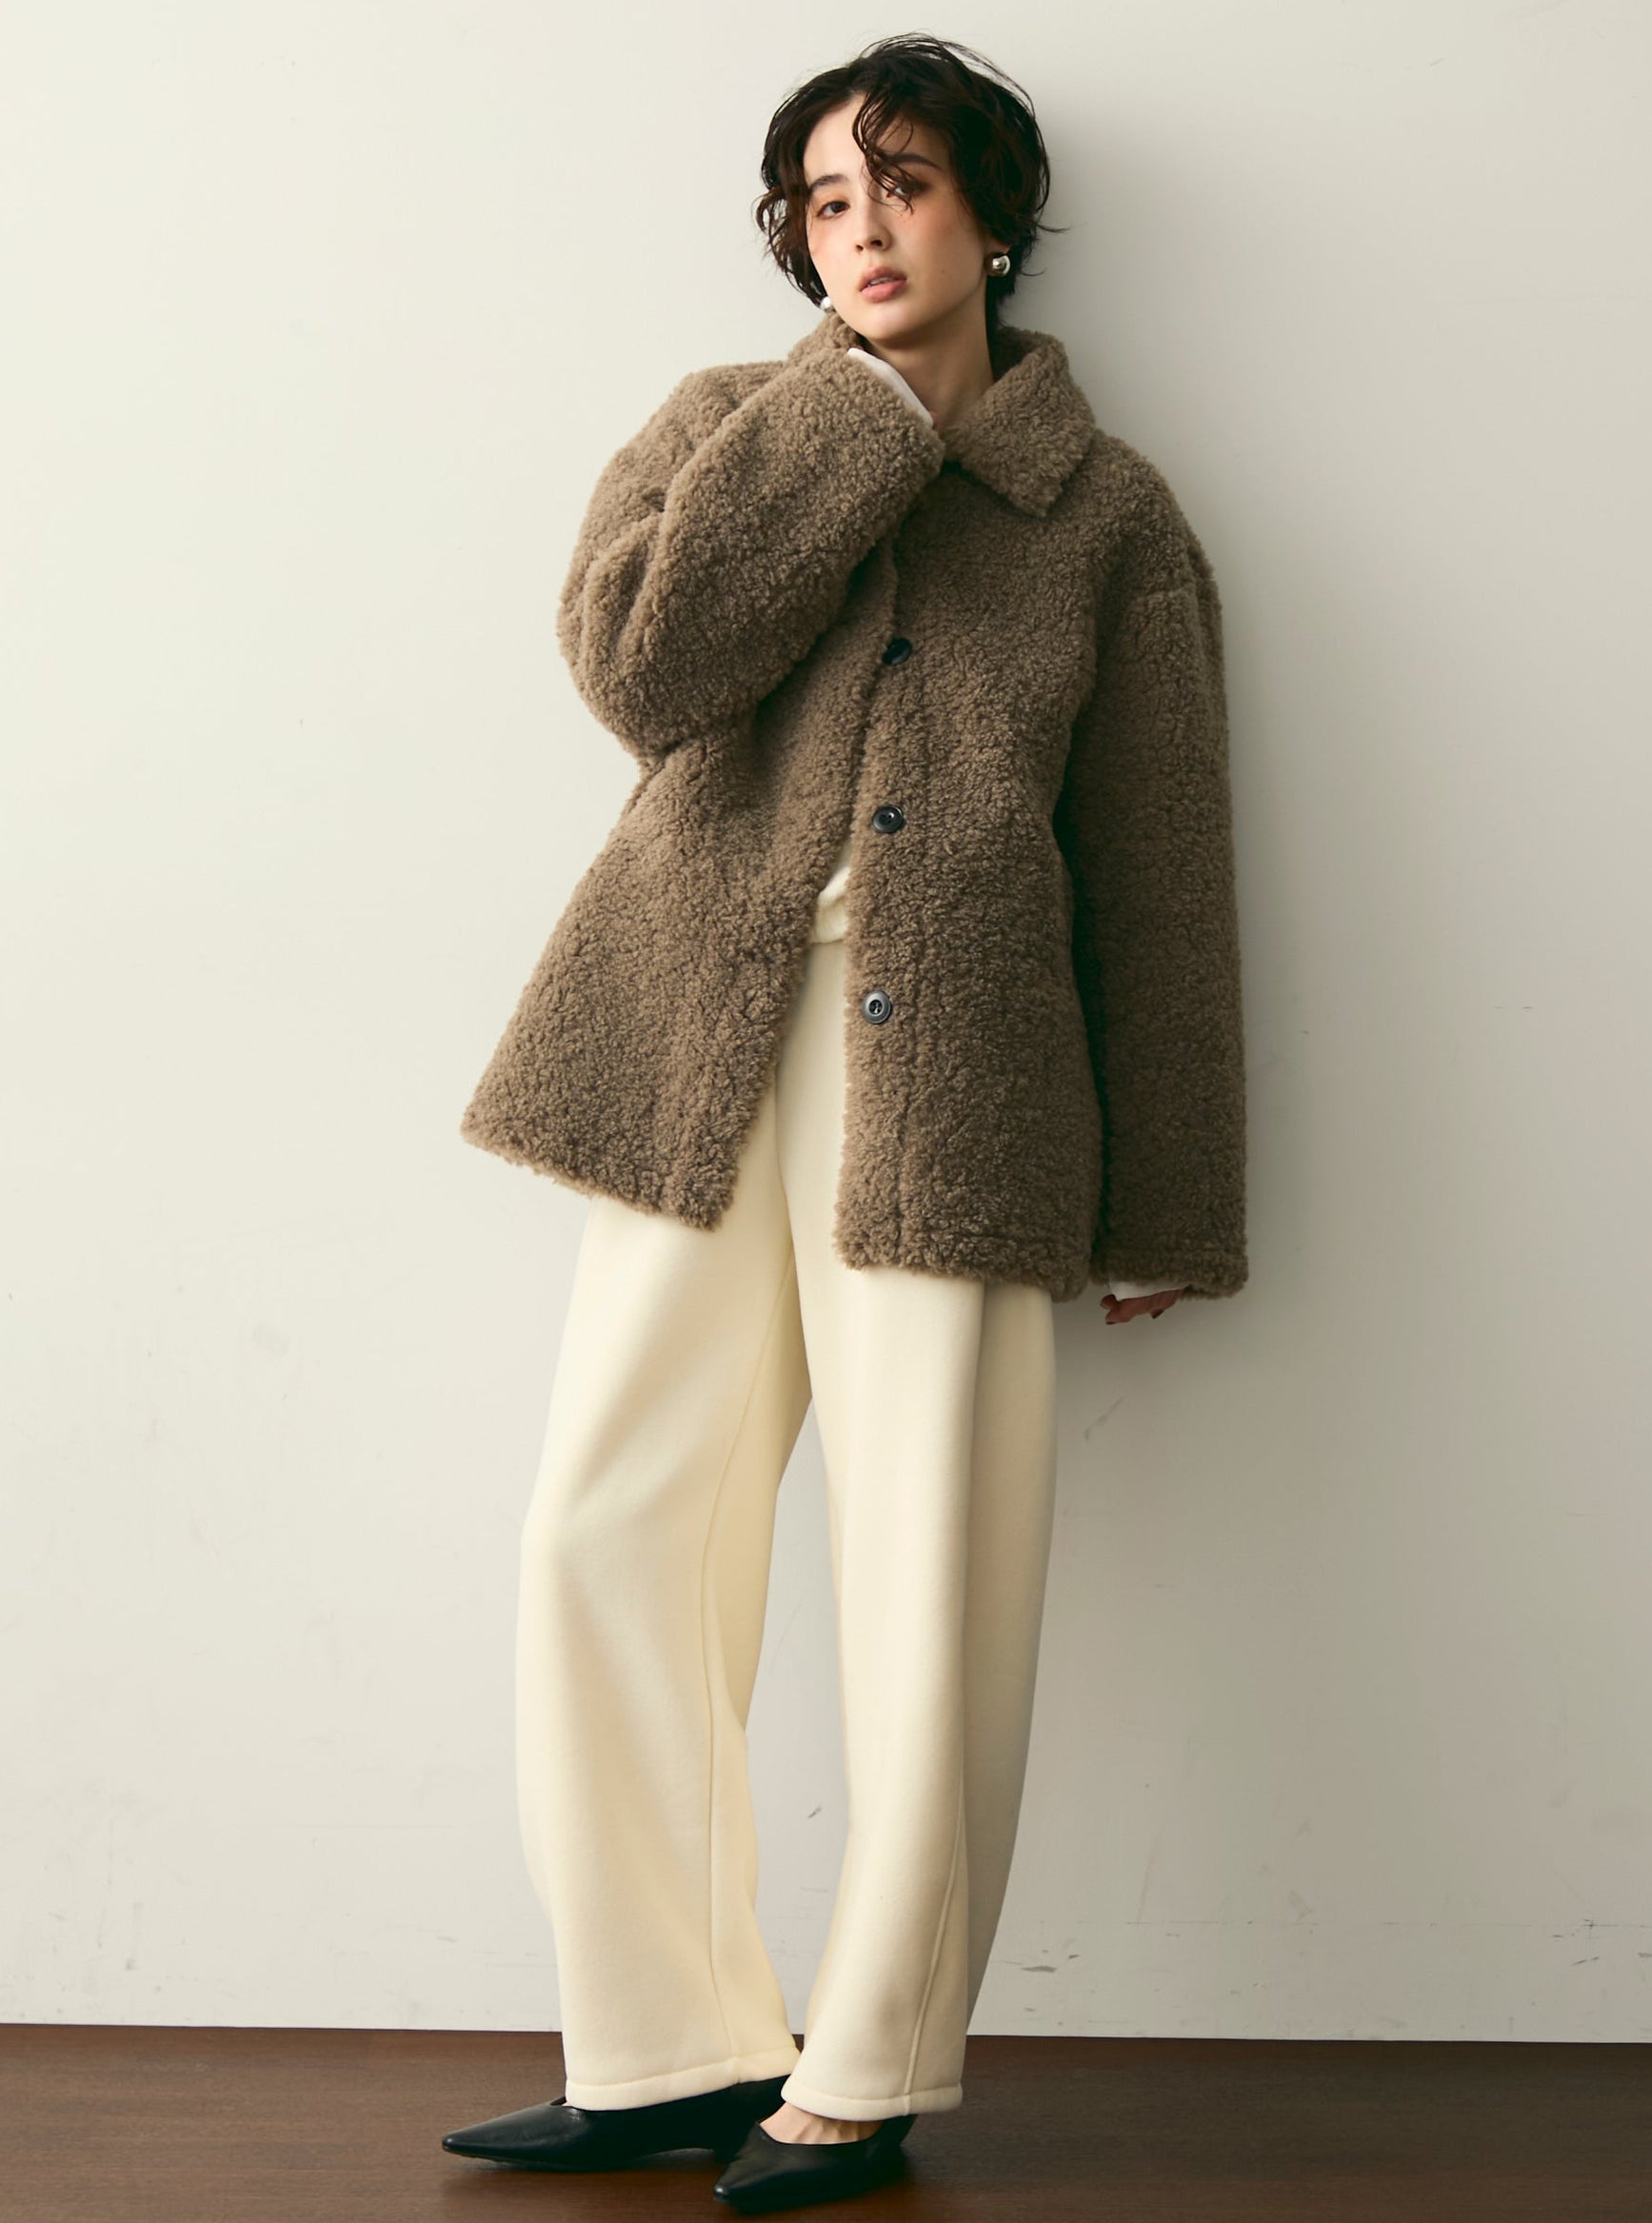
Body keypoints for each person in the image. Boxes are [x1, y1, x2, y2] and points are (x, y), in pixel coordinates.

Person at [443, 31, 1247, 2214]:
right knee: (605, 1532)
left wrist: (1168, 1202)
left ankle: (868, 2065)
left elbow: (1160, 878)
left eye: (902, 185)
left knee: (926, 1585)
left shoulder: (1108, 515)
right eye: (823, 200)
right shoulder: (728, 428)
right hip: (689, 1054)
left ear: (994, 215)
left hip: (963, 1092)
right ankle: (665, 2043)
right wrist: (862, 419)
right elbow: (643, 666)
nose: (862, 229)